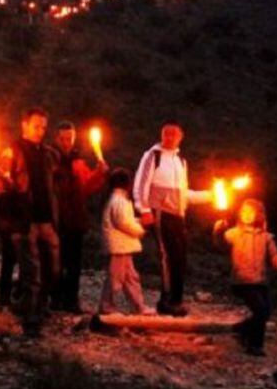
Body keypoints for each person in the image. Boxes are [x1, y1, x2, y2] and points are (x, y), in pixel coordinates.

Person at [132, 120, 211, 317]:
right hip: (159, 213)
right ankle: (166, 302)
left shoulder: (181, 161)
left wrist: (212, 196)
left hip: (178, 215)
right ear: (161, 135)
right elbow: (140, 185)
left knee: (180, 257)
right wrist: (144, 210)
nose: (169, 137)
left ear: (180, 137)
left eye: (173, 134)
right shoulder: (153, 155)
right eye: (166, 133)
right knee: (167, 256)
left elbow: (184, 194)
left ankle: (176, 300)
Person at [212, 198, 277, 356]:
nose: (246, 214)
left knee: (266, 312)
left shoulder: (267, 237)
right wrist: (218, 231)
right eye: (244, 211)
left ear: (259, 215)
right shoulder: (234, 233)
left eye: (251, 211)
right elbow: (220, 244)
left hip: (260, 281)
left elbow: (274, 256)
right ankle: (255, 346)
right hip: (242, 281)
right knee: (261, 311)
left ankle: (241, 329)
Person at [8, 107, 60, 336]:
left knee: (53, 268)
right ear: (25, 125)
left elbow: (54, 184)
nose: (40, 131)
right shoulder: (12, 151)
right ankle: (30, 320)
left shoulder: (48, 153)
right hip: (25, 220)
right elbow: (0, 189)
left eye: (43, 127)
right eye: (36, 126)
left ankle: (37, 307)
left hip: (47, 220)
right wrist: (9, 223)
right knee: (32, 272)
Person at [51, 121, 107, 313]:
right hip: (56, 219)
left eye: (70, 139)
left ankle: (71, 300)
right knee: (56, 261)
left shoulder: (78, 162)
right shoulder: (50, 159)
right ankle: (55, 299)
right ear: (56, 139)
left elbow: (87, 186)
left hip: (75, 220)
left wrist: (99, 173)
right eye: (63, 138)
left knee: (74, 263)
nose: (67, 142)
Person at [97, 169, 152, 315]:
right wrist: (141, 229)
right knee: (115, 278)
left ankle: (138, 306)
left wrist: (139, 221)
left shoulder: (117, 200)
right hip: (119, 246)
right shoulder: (119, 201)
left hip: (122, 246)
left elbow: (125, 220)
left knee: (130, 278)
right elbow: (123, 223)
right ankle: (106, 306)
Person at [0, 148, 26, 312]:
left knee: (21, 263)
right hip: (8, 228)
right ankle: (4, 299)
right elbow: (0, 203)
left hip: (18, 226)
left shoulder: (16, 178)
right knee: (9, 263)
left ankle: (15, 296)